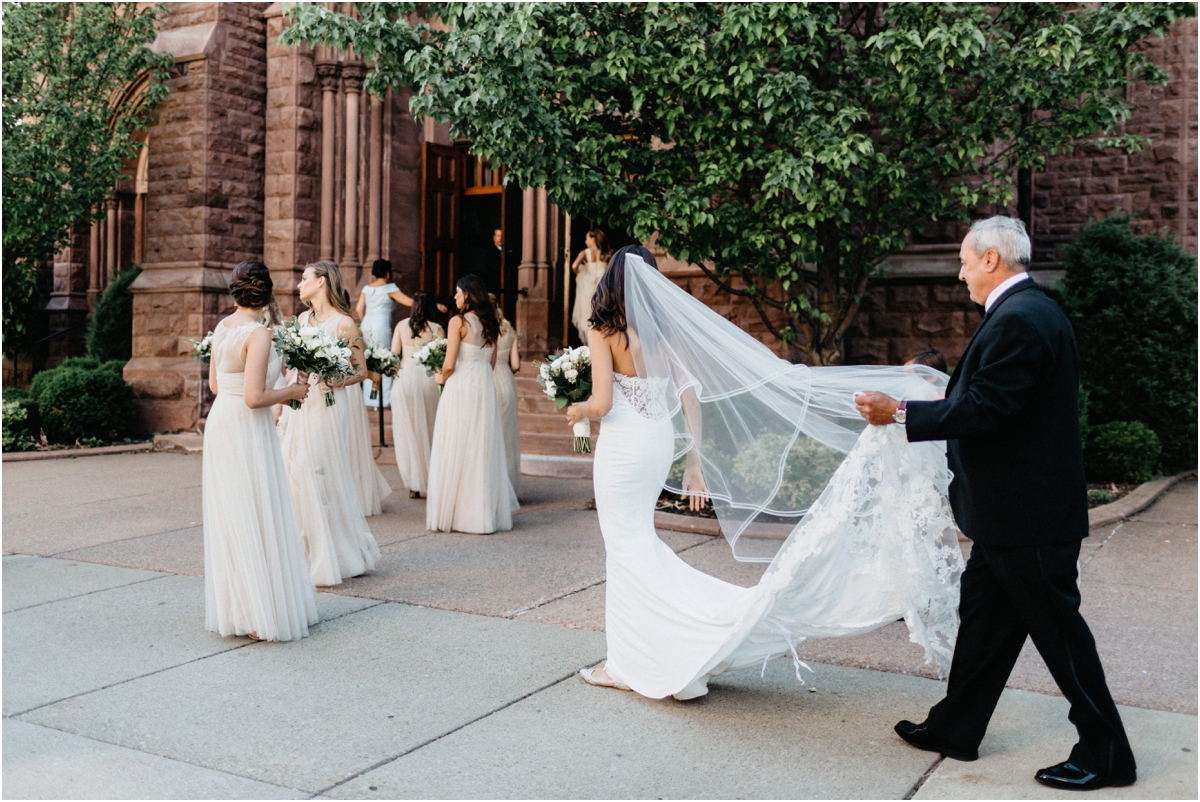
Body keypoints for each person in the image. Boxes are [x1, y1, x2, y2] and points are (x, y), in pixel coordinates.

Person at [564, 246, 961, 700]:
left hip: (623, 448)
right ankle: (646, 652)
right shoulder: (658, 335)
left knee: (626, 547)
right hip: (655, 445)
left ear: (611, 280)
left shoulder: (602, 330)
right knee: (637, 543)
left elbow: (602, 404)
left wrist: (575, 407)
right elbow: (689, 395)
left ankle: (639, 659)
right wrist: (694, 461)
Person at [855, 216, 1135, 792]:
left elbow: (988, 408)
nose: (958, 273)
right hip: (1008, 516)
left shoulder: (1022, 319)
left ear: (990, 260)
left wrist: (901, 412)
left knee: (1060, 635)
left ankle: (1106, 754)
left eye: (963, 261)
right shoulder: (1026, 312)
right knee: (983, 621)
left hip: (1027, 518)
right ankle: (956, 728)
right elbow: (992, 399)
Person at [202, 261, 317, 642]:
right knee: (254, 509)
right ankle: (257, 612)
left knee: (234, 513)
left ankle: (241, 607)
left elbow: (217, 385)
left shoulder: (222, 327)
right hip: (246, 427)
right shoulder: (260, 334)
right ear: (267, 293)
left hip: (221, 423)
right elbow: (255, 398)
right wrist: (292, 392)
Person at [279, 261, 381, 585]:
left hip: (327, 406)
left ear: (321, 282)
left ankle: (336, 552)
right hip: (298, 406)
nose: (299, 284)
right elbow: (290, 368)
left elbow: (361, 370)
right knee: (294, 473)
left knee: (321, 474)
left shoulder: (345, 324)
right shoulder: (300, 320)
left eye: (304, 278)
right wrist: (280, 405)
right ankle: (304, 552)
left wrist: (336, 379)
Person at [426, 274, 519, 534]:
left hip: (460, 386)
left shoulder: (458, 321)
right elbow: (490, 363)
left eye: (457, 292)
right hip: (483, 386)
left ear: (467, 294)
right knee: (481, 444)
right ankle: (482, 513)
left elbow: (449, 363)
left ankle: (457, 513)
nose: (454, 297)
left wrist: (439, 377)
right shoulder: (491, 322)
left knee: (456, 442)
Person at [389, 291, 444, 498]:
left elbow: (394, 354)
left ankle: (413, 482)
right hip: (428, 378)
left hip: (405, 377)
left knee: (407, 430)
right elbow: (441, 358)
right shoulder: (437, 329)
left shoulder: (401, 326)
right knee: (430, 428)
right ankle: (431, 478)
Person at [356, 259, 413, 407]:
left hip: (366, 324)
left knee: (370, 361)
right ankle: (384, 401)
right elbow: (408, 302)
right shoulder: (390, 288)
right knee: (385, 360)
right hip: (380, 325)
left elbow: (358, 309)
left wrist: (366, 322)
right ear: (388, 273)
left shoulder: (366, 288)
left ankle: (370, 400)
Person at [491, 293, 522, 498]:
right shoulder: (509, 329)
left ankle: (493, 485)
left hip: (489, 379)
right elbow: (516, 365)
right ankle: (508, 485)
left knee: (491, 434)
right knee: (507, 435)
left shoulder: (484, 329)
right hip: (507, 381)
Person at [570, 229, 612, 343]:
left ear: (593, 239)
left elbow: (574, 266)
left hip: (588, 289)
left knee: (586, 313)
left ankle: (589, 343)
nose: (585, 241)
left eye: (587, 238)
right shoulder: (606, 253)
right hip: (601, 289)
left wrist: (583, 275)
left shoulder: (585, 253)